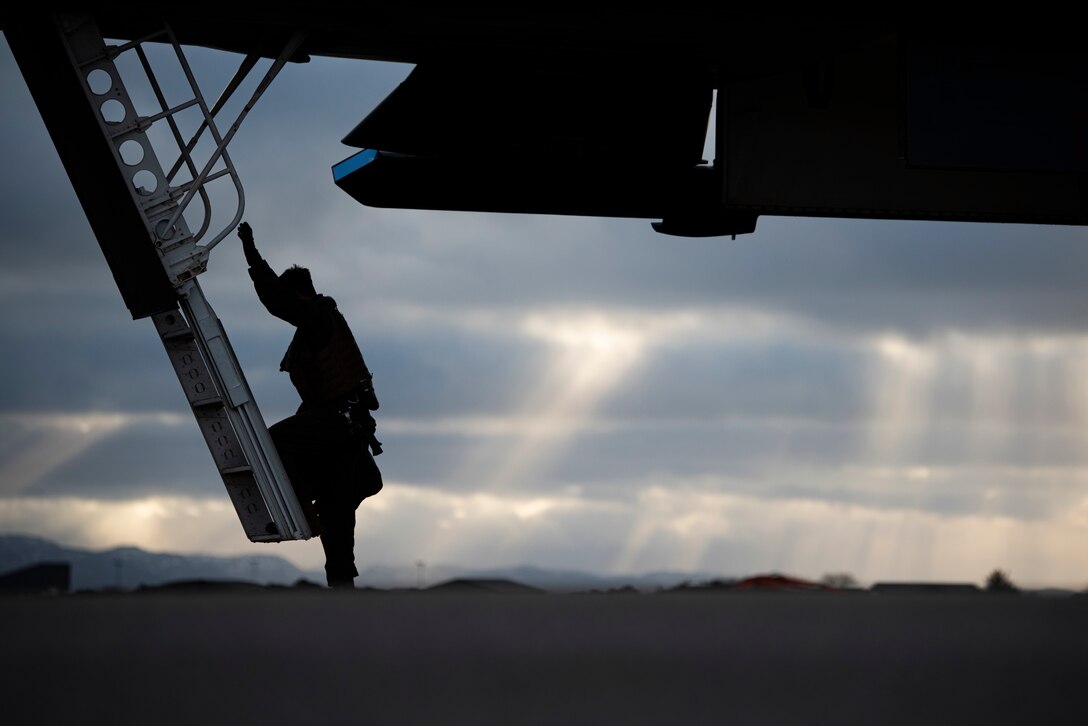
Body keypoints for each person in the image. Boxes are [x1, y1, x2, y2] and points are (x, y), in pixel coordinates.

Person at [238, 221, 383, 589]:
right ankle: (342, 590)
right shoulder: (320, 323)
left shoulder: (318, 316)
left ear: (299, 295)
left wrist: (252, 255)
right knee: (337, 513)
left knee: (271, 442)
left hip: (339, 423)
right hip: (344, 427)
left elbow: (277, 301)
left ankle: (303, 505)